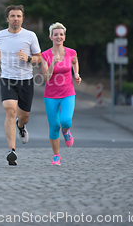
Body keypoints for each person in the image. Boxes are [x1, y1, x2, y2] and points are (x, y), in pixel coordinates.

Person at [0, 5, 41, 166]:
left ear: (22, 18)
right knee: (10, 110)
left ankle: (21, 126)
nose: (15, 19)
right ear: (7, 19)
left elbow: (38, 58)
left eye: (18, 16)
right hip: (7, 79)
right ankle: (12, 151)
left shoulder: (30, 36)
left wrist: (28, 58)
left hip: (26, 79)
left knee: (24, 116)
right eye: (12, 16)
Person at [40, 22, 82, 166]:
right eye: (55, 34)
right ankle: (56, 155)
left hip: (67, 93)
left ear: (64, 37)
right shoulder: (44, 55)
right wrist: (53, 63)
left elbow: (75, 62)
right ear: (51, 37)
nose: (58, 37)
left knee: (65, 121)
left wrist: (76, 74)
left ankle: (66, 131)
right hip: (50, 95)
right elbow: (46, 78)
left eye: (61, 34)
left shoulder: (71, 52)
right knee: (53, 126)